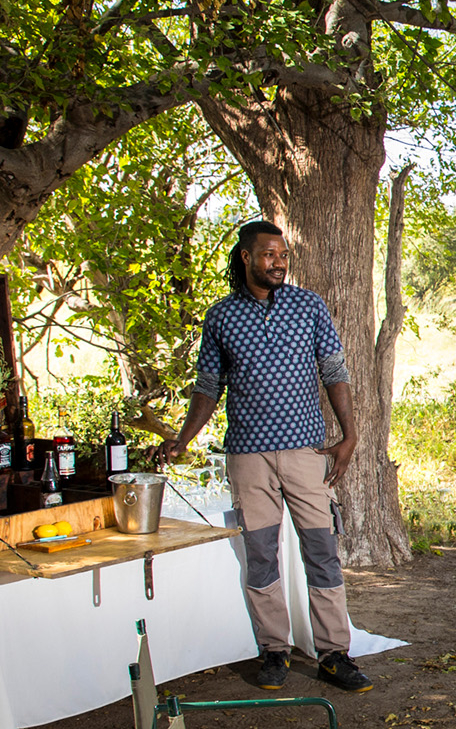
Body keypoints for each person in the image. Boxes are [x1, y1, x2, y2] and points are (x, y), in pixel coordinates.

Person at [154, 219, 371, 693]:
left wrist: (349, 435)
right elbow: (208, 387)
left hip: (305, 451)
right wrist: (183, 438)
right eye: (269, 255)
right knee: (260, 556)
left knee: (322, 551)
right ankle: (274, 650)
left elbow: (335, 371)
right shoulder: (221, 317)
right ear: (246, 257)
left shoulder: (308, 306)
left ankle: (333, 653)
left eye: (283, 255)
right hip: (248, 457)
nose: (279, 263)